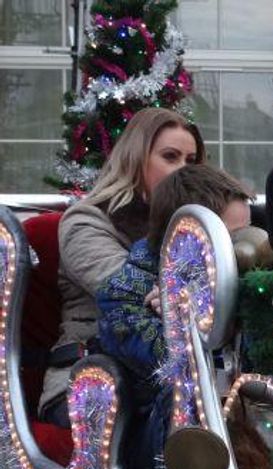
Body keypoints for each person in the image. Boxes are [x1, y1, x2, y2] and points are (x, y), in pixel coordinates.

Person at [96, 164, 252, 469]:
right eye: (228, 241)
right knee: (188, 394)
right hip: (162, 449)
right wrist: (184, 314)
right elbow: (168, 368)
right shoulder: (124, 296)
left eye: (245, 236)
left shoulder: (258, 279)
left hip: (253, 431)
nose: (241, 253)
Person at [41, 107, 204, 428]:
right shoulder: (86, 221)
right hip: (92, 380)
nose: (183, 171)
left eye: (191, 161)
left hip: (174, 379)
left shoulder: (194, 227)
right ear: (135, 160)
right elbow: (128, 293)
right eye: (170, 157)